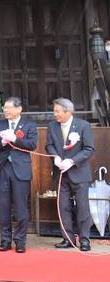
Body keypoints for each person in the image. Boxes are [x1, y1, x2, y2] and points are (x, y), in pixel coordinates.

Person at [0, 96, 38, 253]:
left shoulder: (29, 125)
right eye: (5, 108)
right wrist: (2, 142)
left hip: (20, 169)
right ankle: (5, 240)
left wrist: (15, 138)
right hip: (3, 168)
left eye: (9, 108)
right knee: (3, 207)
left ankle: (20, 240)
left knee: (21, 207)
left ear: (19, 109)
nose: (6, 110)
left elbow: (32, 145)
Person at [45, 97, 95, 252]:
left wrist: (72, 161)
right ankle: (68, 238)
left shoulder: (83, 125)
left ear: (68, 112)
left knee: (82, 207)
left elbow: (89, 149)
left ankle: (85, 239)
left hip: (79, 173)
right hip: (61, 173)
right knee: (63, 207)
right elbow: (49, 146)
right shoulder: (52, 126)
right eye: (54, 111)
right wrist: (55, 157)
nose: (55, 114)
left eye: (57, 111)